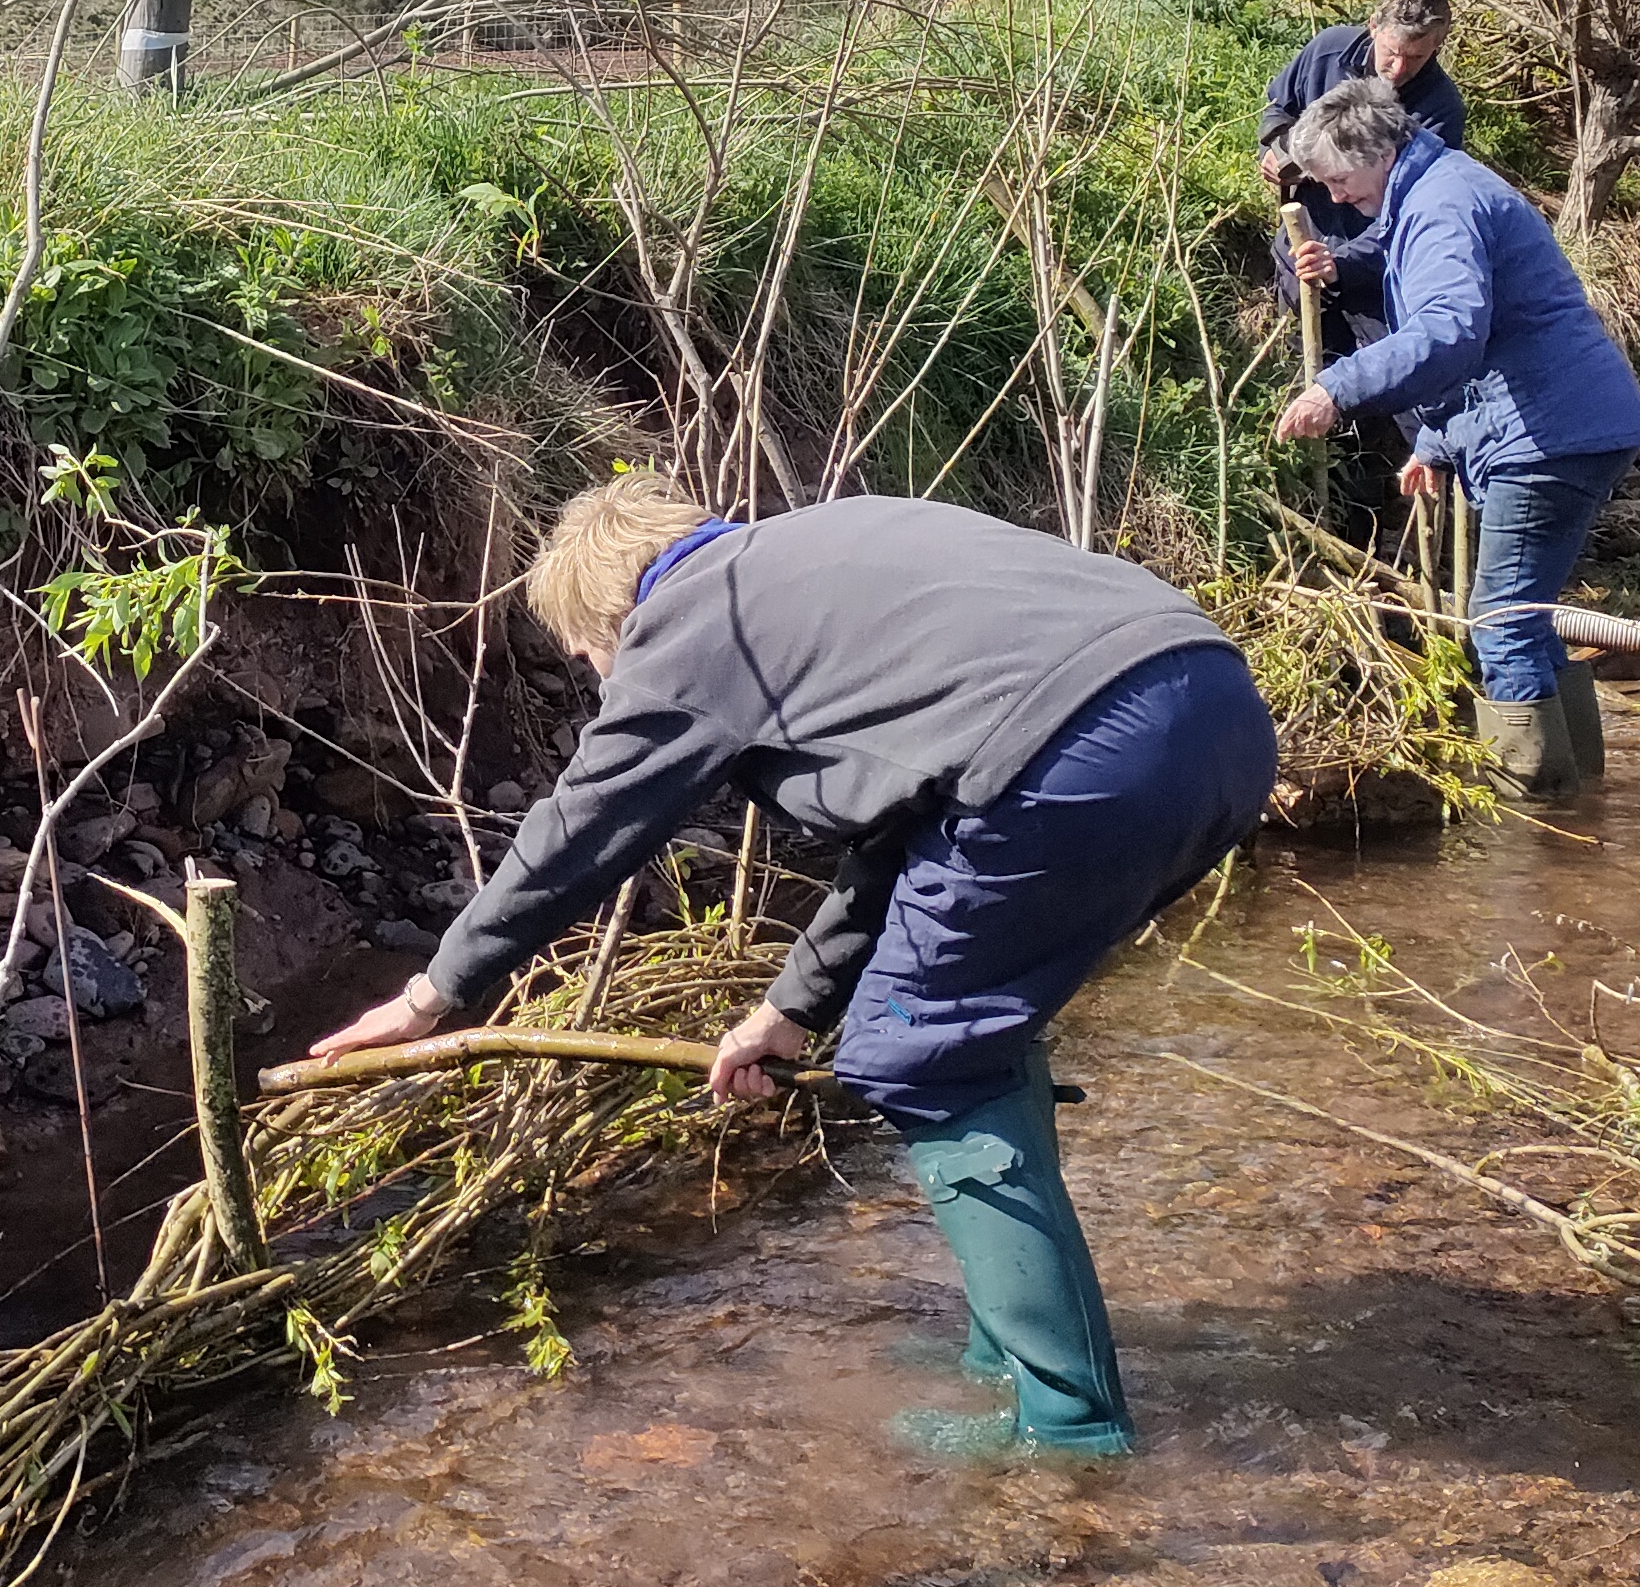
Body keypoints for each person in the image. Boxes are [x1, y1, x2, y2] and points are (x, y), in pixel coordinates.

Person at [305, 477, 1274, 1462]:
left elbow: (577, 836)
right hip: (1213, 713)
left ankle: (1069, 1428)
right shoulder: (812, 560)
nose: (608, 682)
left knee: (920, 1058)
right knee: (966, 1027)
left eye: (593, 661)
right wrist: (790, 1009)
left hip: (1072, 754)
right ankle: (1003, 1353)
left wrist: (433, 995)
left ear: (612, 610)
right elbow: (912, 838)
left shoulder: (688, 621)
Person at [1268, 76, 1640, 793]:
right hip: (1560, 424)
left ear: (1378, 150)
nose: (1335, 197)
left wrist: (1337, 388)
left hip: (1548, 436)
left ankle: (1531, 820)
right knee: (1526, 618)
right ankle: (1578, 799)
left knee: (1501, 622)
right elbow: (1493, 340)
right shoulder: (1435, 187)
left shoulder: (1442, 205)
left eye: (1337, 179)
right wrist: (1439, 442)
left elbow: (1449, 330)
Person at [1256, 0, 1468, 255]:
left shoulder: (1442, 108)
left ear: (1437, 47)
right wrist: (1274, 149)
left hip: (1375, 264)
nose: (1399, 68)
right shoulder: (1327, 49)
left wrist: (1341, 263)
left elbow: (1415, 207)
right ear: (1373, 27)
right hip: (1299, 237)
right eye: (1391, 52)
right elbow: (1278, 107)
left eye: (1416, 57)